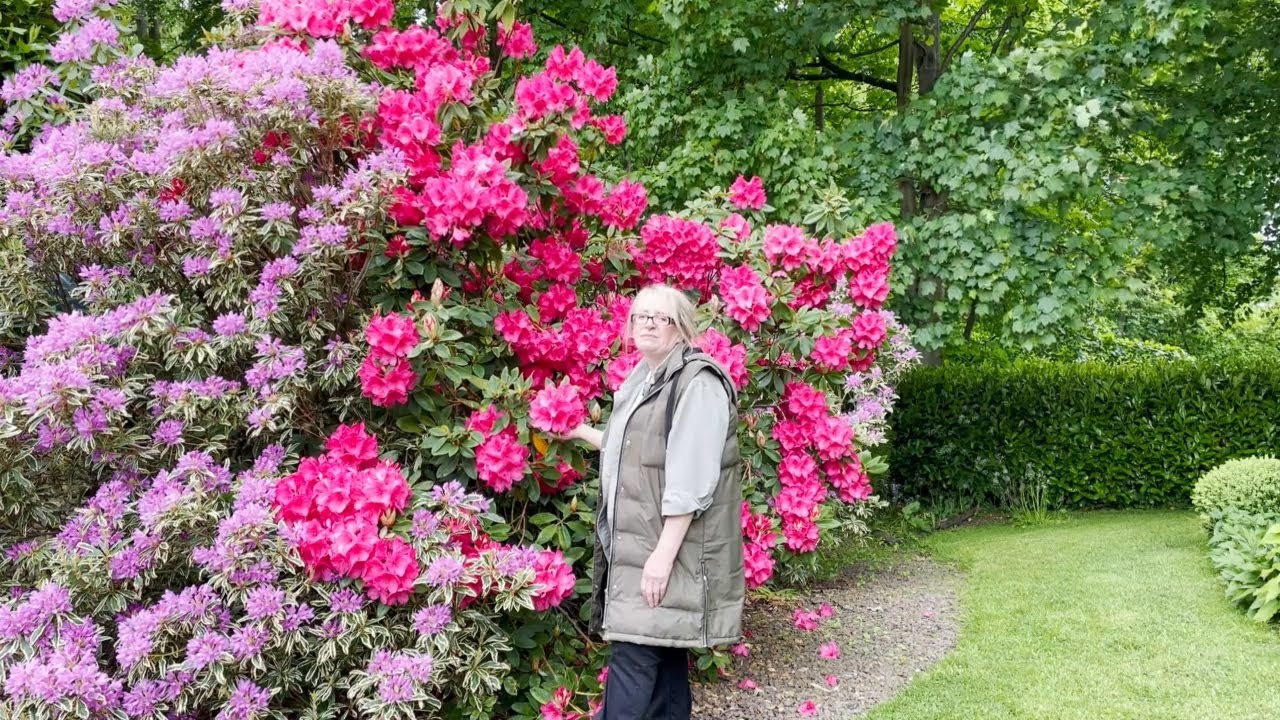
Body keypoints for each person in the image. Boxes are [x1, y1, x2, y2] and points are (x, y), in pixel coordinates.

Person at [562, 283, 745, 720]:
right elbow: (637, 449)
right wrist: (580, 433)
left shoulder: (697, 383)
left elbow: (691, 480)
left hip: (667, 550)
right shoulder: (644, 377)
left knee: (633, 656)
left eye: (658, 316)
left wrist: (661, 559)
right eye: (640, 315)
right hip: (642, 546)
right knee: (664, 661)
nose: (646, 323)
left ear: (680, 328)